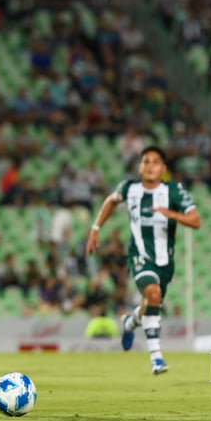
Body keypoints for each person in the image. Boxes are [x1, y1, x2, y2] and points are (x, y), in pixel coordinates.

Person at [85, 145, 201, 374]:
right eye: (145, 161)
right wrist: (96, 227)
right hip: (139, 256)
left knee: (151, 303)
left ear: (163, 168)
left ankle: (131, 322)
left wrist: (171, 214)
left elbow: (195, 220)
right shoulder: (130, 188)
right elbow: (110, 201)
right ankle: (156, 357)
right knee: (153, 293)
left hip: (165, 262)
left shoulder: (174, 190)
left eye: (155, 162)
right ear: (139, 167)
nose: (149, 166)